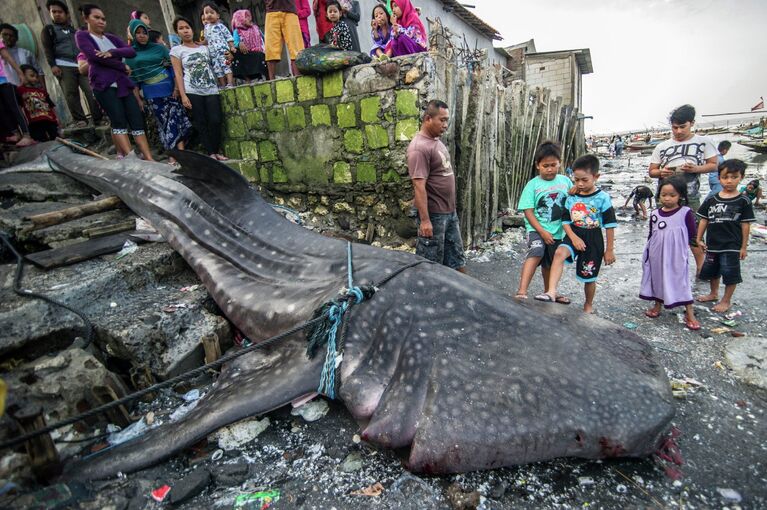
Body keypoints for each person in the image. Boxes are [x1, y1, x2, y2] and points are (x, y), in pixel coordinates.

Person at [537, 155, 617, 313]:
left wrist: (609, 250)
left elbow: (609, 225)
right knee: (559, 253)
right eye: (576, 180)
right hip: (573, 234)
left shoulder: (603, 198)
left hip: (593, 239)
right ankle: (551, 291)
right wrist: (573, 238)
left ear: (596, 177)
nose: (580, 184)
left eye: (584, 180)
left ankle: (588, 304)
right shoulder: (572, 196)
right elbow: (565, 221)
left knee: (589, 276)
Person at [76, 4, 153, 161]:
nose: (101, 21)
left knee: (136, 120)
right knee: (118, 120)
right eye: (96, 18)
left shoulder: (111, 38)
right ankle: (132, 159)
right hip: (103, 85)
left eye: (103, 19)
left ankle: (149, 158)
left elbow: (130, 51)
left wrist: (111, 52)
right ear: (86, 18)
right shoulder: (82, 36)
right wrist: (121, 66)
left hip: (123, 85)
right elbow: (93, 57)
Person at [648, 104, 718, 275]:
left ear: (691, 123)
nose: (678, 131)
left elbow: (714, 165)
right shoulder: (662, 146)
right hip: (664, 195)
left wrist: (695, 169)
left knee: (694, 233)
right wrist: (661, 172)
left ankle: (702, 269)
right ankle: (667, 267)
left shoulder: (703, 142)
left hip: (690, 195)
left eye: (682, 127)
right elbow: (652, 171)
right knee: (663, 231)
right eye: (674, 127)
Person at [408, 99, 466, 272]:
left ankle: (465, 296)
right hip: (434, 216)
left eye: (447, 120)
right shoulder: (418, 148)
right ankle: (426, 298)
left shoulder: (436, 141)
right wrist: (425, 220)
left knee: (457, 258)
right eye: (442, 120)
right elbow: (419, 186)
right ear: (428, 119)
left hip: (449, 212)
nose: (445, 125)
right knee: (430, 266)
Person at [124, 20, 191, 166]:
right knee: (164, 125)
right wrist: (138, 100)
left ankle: (182, 155)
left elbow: (173, 68)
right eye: (138, 33)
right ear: (133, 35)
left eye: (144, 33)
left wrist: (176, 88)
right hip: (151, 95)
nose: (142, 36)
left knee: (176, 121)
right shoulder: (130, 55)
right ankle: (173, 157)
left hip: (170, 90)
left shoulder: (160, 49)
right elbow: (134, 81)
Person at [515, 141, 572, 302]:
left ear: (560, 163)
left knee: (551, 262)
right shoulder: (533, 185)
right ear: (537, 165)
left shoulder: (565, 182)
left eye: (553, 165)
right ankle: (521, 291)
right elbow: (528, 211)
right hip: (537, 229)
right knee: (536, 252)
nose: (550, 169)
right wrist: (541, 231)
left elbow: (573, 201)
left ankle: (550, 292)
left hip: (558, 231)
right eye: (545, 165)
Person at [640, 176, 700, 330]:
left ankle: (689, 312)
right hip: (656, 252)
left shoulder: (685, 213)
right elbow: (651, 233)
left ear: (680, 195)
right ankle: (657, 305)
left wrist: (696, 245)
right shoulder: (655, 214)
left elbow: (692, 233)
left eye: (672, 195)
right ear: (658, 195)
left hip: (676, 255)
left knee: (681, 280)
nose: (667, 199)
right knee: (658, 278)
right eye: (664, 195)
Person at [696, 159, 755, 313]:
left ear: (741, 177)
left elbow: (745, 224)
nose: (729, 181)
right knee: (712, 271)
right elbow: (704, 220)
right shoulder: (711, 199)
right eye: (725, 177)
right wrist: (698, 239)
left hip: (732, 245)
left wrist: (743, 247)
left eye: (734, 177)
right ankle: (713, 293)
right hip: (713, 243)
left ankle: (726, 300)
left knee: (730, 272)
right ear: (719, 178)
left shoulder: (743, 201)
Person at [170, 16, 227, 161]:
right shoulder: (177, 50)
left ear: (192, 29)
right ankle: (211, 154)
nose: (185, 31)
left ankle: (216, 150)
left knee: (215, 120)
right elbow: (178, 74)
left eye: (187, 27)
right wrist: (183, 95)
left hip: (211, 89)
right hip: (192, 90)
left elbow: (217, 62)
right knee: (201, 122)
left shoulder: (204, 48)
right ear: (177, 32)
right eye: (181, 28)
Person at [42, 0, 103, 128]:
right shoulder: (49, 30)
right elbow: (47, 49)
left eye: (60, 12)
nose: (57, 14)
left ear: (67, 14)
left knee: (91, 90)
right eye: (53, 12)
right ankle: (80, 120)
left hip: (80, 64)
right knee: (71, 94)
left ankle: (98, 119)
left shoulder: (75, 31)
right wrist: (53, 65)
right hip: (63, 65)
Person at [0, 39, 35, 147]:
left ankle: (27, 135)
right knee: (2, 109)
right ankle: (16, 133)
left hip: (4, 79)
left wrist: (20, 73)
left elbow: (8, 57)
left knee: (14, 107)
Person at [16, 65, 60, 141]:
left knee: (56, 139)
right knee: (41, 142)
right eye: (32, 76)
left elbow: (51, 106)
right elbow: (18, 107)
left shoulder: (41, 91)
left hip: (50, 120)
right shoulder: (20, 90)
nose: (35, 79)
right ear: (22, 76)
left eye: (36, 77)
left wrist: (57, 119)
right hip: (34, 122)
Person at [264, 0, 303, 80]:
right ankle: (272, 83)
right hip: (271, 11)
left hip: (290, 10)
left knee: (296, 48)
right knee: (271, 48)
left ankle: (298, 80)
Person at [202, 3, 235, 88]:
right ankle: (223, 85)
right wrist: (200, 44)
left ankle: (230, 83)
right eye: (206, 13)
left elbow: (229, 37)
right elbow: (206, 40)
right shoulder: (206, 28)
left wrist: (232, 47)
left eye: (211, 12)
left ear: (218, 16)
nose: (209, 14)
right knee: (218, 70)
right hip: (213, 54)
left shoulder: (221, 26)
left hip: (223, 51)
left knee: (226, 66)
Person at [231, 9, 267, 83]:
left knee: (260, 55)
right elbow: (235, 42)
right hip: (245, 53)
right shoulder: (237, 31)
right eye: (246, 17)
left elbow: (263, 38)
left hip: (256, 52)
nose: (249, 18)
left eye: (249, 16)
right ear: (240, 19)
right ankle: (247, 79)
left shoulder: (255, 28)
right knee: (234, 53)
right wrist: (239, 44)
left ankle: (260, 76)